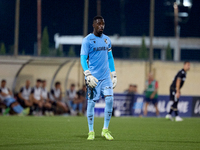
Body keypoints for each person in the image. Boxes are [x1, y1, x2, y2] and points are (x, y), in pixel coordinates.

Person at [80, 16, 117, 140]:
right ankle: (91, 131)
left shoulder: (107, 40)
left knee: (110, 100)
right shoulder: (87, 40)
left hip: (106, 77)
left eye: (103, 24)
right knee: (91, 103)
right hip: (93, 79)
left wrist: (114, 74)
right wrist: (87, 74)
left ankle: (105, 130)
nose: (101, 26)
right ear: (93, 25)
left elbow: (110, 57)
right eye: (99, 24)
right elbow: (83, 58)